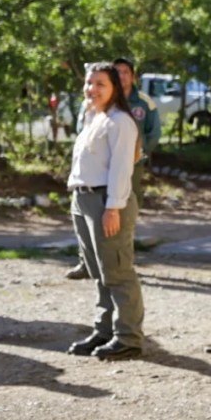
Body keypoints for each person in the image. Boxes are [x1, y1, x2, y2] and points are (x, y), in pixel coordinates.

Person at [66, 61, 145, 361]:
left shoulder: (120, 121)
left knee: (117, 270)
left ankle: (128, 337)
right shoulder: (92, 117)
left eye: (101, 84)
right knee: (99, 272)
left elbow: (121, 169)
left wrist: (113, 207)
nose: (92, 89)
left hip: (107, 202)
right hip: (84, 199)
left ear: (115, 88)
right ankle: (105, 330)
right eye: (89, 83)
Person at [65, 57, 160, 280]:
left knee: (118, 221)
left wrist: (138, 153)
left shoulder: (139, 105)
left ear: (131, 77)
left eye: (126, 72)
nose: (93, 89)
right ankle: (86, 262)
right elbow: (83, 134)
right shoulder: (92, 108)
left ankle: (120, 259)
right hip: (91, 182)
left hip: (129, 165)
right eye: (90, 83)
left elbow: (153, 133)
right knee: (92, 238)